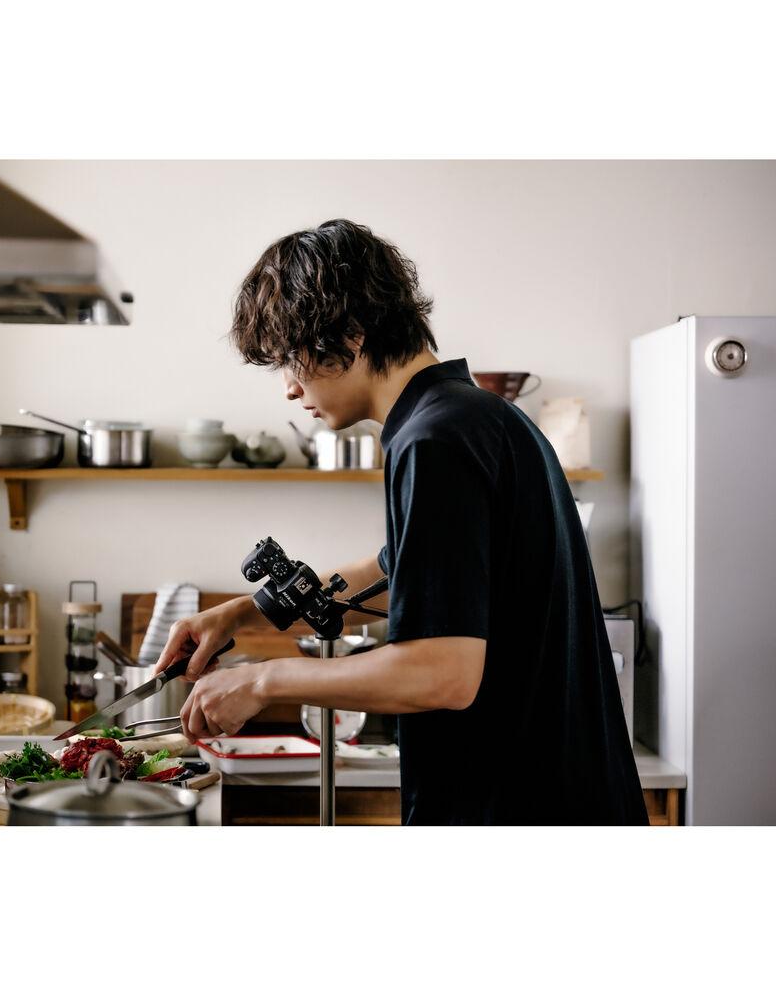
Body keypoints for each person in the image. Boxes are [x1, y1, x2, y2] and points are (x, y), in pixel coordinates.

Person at [155, 218, 648, 826]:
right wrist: (244, 612)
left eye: (290, 358)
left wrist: (263, 681)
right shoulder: (479, 416)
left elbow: (442, 674)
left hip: (514, 811)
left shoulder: (434, 440)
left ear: (351, 334)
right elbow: (402, 574)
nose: (288, 388)